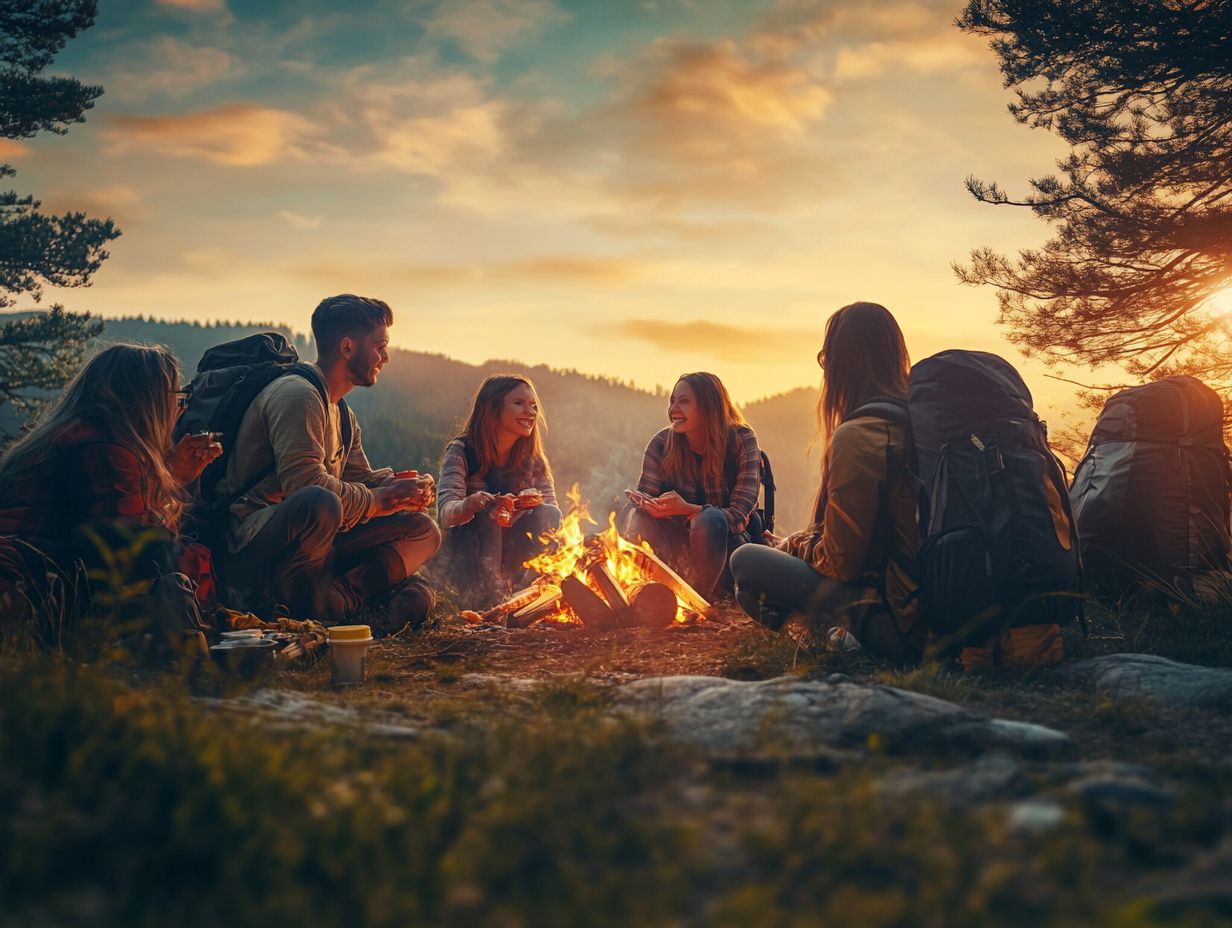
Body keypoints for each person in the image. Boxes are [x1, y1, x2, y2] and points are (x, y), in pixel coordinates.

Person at [213, 294, 441, 631]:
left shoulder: (342, 414)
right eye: (379, 346)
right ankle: (296, 603)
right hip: (252, 546)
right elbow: (305, 487)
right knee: (318, 502)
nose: (386, 357)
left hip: (315, 549)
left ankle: (339, 600)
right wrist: (381, 500)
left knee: (423, 531)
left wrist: (399, 490)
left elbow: (361, 480)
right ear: (347, 347)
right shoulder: (297, 395)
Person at [729, 302, 925, 664]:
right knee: (753, 581)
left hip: (909, 630)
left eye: (826, 357)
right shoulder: (923, 419)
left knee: (746, 563)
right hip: (952, 612)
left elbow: (840, 564)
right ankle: (837, 633)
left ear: (841, 362)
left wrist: (792, 548)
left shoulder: (862, 433)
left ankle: (844, 637)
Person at [0, 343, 220, 655]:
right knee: (178, 576)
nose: (179, 411)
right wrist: (169, 482)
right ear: (147, 405)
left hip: (29, 578)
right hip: (30, 590)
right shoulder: (105, 451)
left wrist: (170, 475)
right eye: (176, 400)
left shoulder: (67, 436)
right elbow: (139, 558)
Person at [622, 372, 763, 602]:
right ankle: (656, 591)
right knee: (636, 516)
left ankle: (699, 599)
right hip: (677, 554)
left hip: (728, 553)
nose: (673, 409)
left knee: (709, 520)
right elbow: (646, 499)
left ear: (709, 406)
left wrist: (688, 509)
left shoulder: (741, 441)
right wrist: (648, 505)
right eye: (672, 401)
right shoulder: (661, 444)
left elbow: (738, 517)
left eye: (684, 401)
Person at [437, 375, 561, 608]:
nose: (530, 412)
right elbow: (445, 513)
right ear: (492, 407)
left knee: (547, 513)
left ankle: (532, 590)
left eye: (534, 406)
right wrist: (471, 504)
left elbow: (554, 515)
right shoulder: (462, 451)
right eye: (519, 403)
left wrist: (523, 508)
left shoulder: (533, 461)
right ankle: (490, 599)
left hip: (515, 552)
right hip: (470, 554)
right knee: (489, 513)